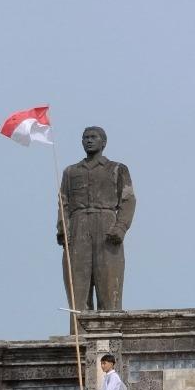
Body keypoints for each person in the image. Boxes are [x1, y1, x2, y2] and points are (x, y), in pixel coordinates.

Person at [58, 126, 136, 328]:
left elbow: (128, 200)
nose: (89, 140)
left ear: (104, 142)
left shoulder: (117, 169)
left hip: (106, 226)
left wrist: (120, 227)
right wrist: (63, 229)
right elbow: (63, 202)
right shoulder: (70, 172)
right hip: (78, 226)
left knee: (109, 285)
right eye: (85, 137)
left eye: (93, 137)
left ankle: (110, 334)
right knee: (78, 286)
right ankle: (79, 335)